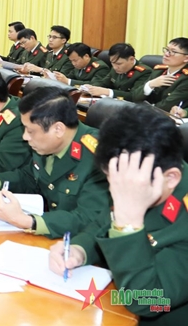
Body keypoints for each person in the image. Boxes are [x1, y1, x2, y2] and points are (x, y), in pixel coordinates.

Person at [48, 105, 188, 324]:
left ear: (171, 178)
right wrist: (79, 250)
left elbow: (149, 301)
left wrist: (129, 221)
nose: (117, 190)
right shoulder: (133, 177)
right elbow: (102, 224)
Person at [0, 87, 109, 238]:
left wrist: (27, 221)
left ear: (58, 129)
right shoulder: (47, 145)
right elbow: (29, 176)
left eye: (30, 131)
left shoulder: (100, 157)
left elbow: (89, 218)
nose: (25, 137)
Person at [82, 43, 151, 101]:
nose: (115, 67)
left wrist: (107, 92)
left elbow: (133, 96)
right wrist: (90, 88)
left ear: (131, 59)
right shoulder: (115, 68)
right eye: (112, 63)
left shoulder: (144, 72)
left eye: (119, 64)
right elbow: (103, 82)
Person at [141, 37, 188, 116]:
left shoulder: (185, 78)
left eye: (173, 52)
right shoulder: (158, 71)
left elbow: (166, 106)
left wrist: (141, 109)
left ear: (186, 58)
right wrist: (150, 85)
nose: (166, 54)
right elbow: (135, 96)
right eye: (166, 50)